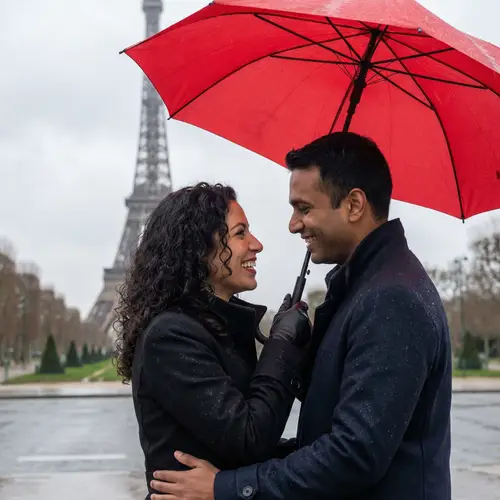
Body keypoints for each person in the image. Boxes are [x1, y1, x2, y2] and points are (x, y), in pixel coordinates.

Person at [149, 132, 452, 500]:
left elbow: (353, 455)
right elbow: (329, 438)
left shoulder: (389, 299)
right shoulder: (368, 290)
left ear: (354, 205)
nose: (293, 224)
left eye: (304, 208)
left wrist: (227, 486)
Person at [114, 182, 311, 499]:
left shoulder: (213, 328)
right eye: (240, 233)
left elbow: (241, 449)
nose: (256, 244)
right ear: (198, 248)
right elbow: (250, 437)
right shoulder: (171, 336)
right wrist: (282, 346)